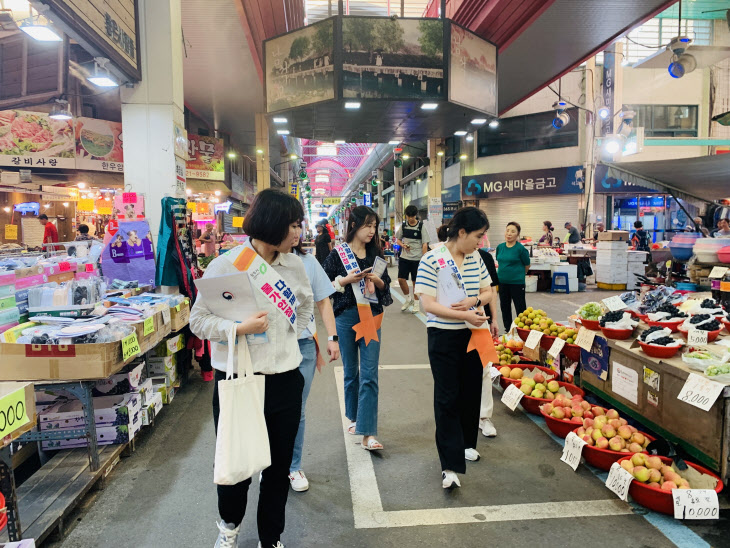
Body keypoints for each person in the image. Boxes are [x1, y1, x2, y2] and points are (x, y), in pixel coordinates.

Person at [190, 188, 314, 548]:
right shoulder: (227, 265)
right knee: (236, 467)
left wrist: (289, 333)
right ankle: (229, 528)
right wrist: (237, 330)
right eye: (294, 225)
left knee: (277, 470)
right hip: (239, 380)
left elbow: (304, 307)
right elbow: (198, 321)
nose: (299, 233)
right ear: (273, 224)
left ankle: (270, 537)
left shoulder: (294, 265)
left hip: (285, 379)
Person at [415, 207, 494, 489]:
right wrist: (464, 315)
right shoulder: (432, 260)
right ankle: (449, 464)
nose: (481, 242)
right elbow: (428, 304)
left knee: (471, 391)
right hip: (444, 336)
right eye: (478, 236)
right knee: (447, 397)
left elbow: (488, 291)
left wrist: (475, 301)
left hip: (474, 334)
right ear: (461, 232)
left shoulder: (476, 258)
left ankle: (465, 444)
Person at [323, 206, 392, 451]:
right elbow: (322, 288)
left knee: (370, 374)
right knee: (351, 372)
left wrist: (378, 281)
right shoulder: (337, 254)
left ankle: (368, 432)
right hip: (345, 318)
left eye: (375, 226)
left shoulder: (376, 255)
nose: (372, 231)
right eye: (368, 226)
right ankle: (353, 417)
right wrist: (345, 280)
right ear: (354, 225)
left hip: (371, 317)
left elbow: (387, 288)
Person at [288, 238, 340, 493]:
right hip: (267, 346)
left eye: (299, 225)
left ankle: (293, 466)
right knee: (269, 408)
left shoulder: (308, 262)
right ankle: (272, 466)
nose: (296, 232)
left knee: (297, 408)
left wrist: (332, 337)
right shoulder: (258, 264)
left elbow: (323, 301)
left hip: (304, 344)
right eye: (291, 225)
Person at [496, 222, 531, 330]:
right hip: (502, 283)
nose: (509, 233)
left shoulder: (520, 249)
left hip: (517, 283)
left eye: (513, 231)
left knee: (520, 308)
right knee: (504, 308)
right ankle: (508, 330)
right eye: (507, 230)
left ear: (518, 234)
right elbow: (499, 261)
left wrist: (518, 275)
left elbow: (527, 265)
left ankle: (523, 331)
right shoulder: (500, 247)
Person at [396, 205, 429, 314]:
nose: (410, 218)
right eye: (408, 216)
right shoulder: (403, 226)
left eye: (412, 216)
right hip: (404, 257)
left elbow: (425, 244)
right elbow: (398, 240)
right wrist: (403, 245)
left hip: (417, 259)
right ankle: (408, 299)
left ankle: (416, 304)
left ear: (416, 216)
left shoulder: (421, 227)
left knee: (415, 282)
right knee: (401, 279)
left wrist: (423, 259)